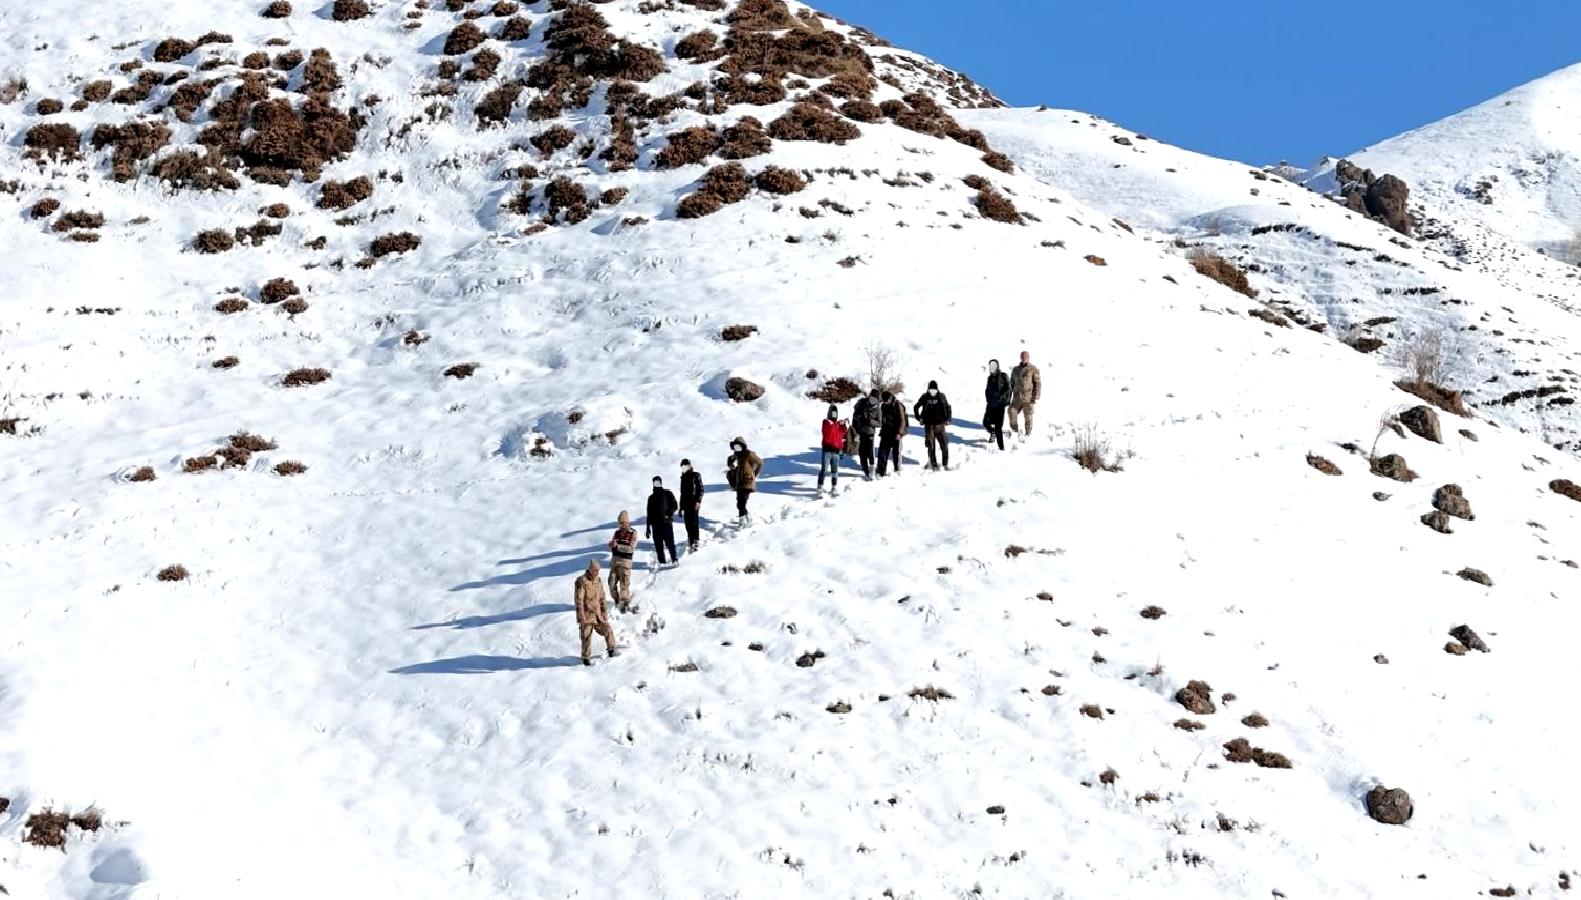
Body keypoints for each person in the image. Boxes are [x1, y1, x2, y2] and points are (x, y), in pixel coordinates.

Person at [573, 560, 619, 666]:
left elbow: (602, 597)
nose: (596, 572)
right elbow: (578, 600)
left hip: (598, 613)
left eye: (598, 570)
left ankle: (611, 649)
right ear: (589, 569)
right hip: (586, 614)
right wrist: (582, 617)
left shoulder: (598, 580)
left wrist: (604, 611)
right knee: (586, 636)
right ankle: (586, 658)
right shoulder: (581, 581)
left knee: (607, 629)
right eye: (594, 570)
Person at [913, 380, 952, 470]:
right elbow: (916, 407)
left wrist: (948, 419)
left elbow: (948, 407)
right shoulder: (925, 397)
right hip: (929, 426)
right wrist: (919, 418)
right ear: (928, 389)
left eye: (934, 390)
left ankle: (945, 464)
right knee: (931, 446)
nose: (933, 392)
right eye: (931, 390)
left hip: (940, 425)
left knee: (944, 445)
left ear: (937, 389)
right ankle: (934, 465)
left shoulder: (941, 396)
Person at [607, 511, 638, 613]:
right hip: (614, 561)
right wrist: (611, 546)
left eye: (622, 523)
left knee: (624, 584)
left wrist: (618, 546)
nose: (620, 525)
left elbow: (631, 549)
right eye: (619, 523)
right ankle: (616, 601)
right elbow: (614, 545)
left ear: (627, 522)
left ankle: (624, 604)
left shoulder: (632, 533)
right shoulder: (617, 532)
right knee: (611, 583)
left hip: (625, 562)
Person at [727, 436, 763, 520]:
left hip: (747, 482)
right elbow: (730, 460)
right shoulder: (736, 454)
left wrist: (754, 474)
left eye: (738, 446)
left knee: (742, 503)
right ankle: (746, 517)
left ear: (743, 446)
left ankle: (742, 521)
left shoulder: (749, 454)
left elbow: (760, 463)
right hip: (739, 482)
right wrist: (730, 464)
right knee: (739, 504)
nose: (737, 448)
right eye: (735, 447)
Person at [646, 476, 679, 565]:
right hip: (655, 526)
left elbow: (675, 505)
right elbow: (649, 513)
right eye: (655, 482)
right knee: (658, 546)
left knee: (670, 544)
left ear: (661, 482)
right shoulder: (651, 498)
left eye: (658, 482)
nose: (656, 483)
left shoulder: (667, 493)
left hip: (666, 523)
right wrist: (648, 528)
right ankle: (662, 563)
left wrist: (669, 513)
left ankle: (674, 560)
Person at [1009, 351, 1042, 438]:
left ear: (1028, 357)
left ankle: (1028, 433)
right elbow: (1011, 383)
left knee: (1028, 416)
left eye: (1026, 356)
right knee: (1011, 411)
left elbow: (1037, 383)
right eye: (1022, 356)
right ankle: (1015, 431)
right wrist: (1008, 394)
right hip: (1017, 397)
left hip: (1028, 397)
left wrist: (1037, 394)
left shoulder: (1033, 369)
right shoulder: (1015, 369)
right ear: (1020, 357)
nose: (1024, 358)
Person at [818, 404, 848, 494]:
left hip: (836, 451)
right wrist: (838, 423)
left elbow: (843, 434)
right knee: (824, 469)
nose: (834, 415)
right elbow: (830, 431)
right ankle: (820, 486)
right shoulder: (826, 422)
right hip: (827, 450)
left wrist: (843, 425)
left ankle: (834, 487)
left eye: (836, 413)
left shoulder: (837, 424)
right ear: (829, 413)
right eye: (833, 413)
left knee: (835, 470)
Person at [852, 389, 881, 479]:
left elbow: (879, 423)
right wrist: (859, 418)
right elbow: (855, 415)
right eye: (871, 398)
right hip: (860, 432)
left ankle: (872, 469)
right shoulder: (862, 403)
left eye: (874, 399)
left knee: (870, 452)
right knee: (862, 452)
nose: (872, 401)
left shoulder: (878, 409)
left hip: (870, 433)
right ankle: (865, 469)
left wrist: (870, 421)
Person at [878, 390, 907, 476]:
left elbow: (902, 420)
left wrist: (900, 433)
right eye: (884, 401)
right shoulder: (883, 406)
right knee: (882, 452)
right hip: (885, 432)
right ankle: (881, 472)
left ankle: (897, 470)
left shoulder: (898, 405)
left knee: (896, 453)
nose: (886, 402)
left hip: (896, 433)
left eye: (887, 400)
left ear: (890, 398)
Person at [983, 359, 1011, 451]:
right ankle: (992, 433)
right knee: (985, 423)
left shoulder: (1003, 376)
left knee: (998, 428)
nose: (992, 367)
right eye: (990, 365)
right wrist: (988, 399)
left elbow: (1008, 389)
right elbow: (987, 390)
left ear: (997, 366)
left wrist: (1002, 398)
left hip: (1000, 406)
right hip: (990, 404)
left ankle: (1001, 448)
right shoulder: (989, 378)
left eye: (994, 365)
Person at [679, 459, 703, 553]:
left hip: (694, 503)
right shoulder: (683, 478)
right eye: (682, 467)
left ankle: (695, 541)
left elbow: (701, 489)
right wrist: (681, 507)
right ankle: (690, 541)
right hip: (686, 504)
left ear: (689, 466)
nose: (683, 468)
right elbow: (682, 493)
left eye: (685, 466)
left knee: (694, 522)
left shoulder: (696, 475)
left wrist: (698, 501)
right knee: (687, 523)